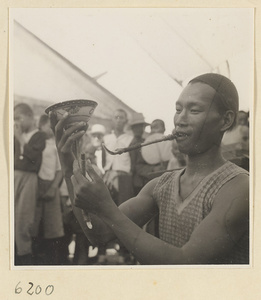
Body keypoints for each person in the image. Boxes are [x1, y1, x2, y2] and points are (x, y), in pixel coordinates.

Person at [51, 73, 249, 265]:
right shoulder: (161, 185)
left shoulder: (239, 186)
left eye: (194, 111)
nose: (180, 120)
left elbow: (186, 263)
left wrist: (106, 207)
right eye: (178, 110)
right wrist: (68, 164)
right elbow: (99, 233)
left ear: (226, 120)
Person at [14, 103, 46, 265]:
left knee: (23, 218)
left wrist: (20, 139)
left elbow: (33, 159)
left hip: (29, 178)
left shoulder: (39, 136)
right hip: (14, 176)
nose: (16, 122)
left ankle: (23, 255)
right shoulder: (14, 134)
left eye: (18, 118)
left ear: (29, 117)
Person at [31, 114, 64, 265]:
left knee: (53, 227)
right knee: (34, 225)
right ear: (41, 125)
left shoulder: (54, 145)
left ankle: (52, 262)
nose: (51, 130)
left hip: (51, 186)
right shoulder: (33, 141)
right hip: (35, 186)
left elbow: (59, 170)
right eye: (48, 126)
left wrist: (53, 188)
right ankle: (35, 260)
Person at [102, 109, 134, 206]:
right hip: (108, 176)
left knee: (123, 206)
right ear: (112, 120)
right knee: (106, 205)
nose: (118, 120)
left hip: (124, 177)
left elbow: (133, 162)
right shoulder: (106, 139)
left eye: (121, 118)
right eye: (116, 117)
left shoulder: (130, 139)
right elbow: (103, 160)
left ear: (126, 121)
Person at [128, 113, 150, 195]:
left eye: (141, 126)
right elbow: (133, 165)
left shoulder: (145, 141)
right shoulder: (133, 144)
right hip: (137, 179)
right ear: (133, 129)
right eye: (137, 127)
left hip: (146, 177)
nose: (140, 129)